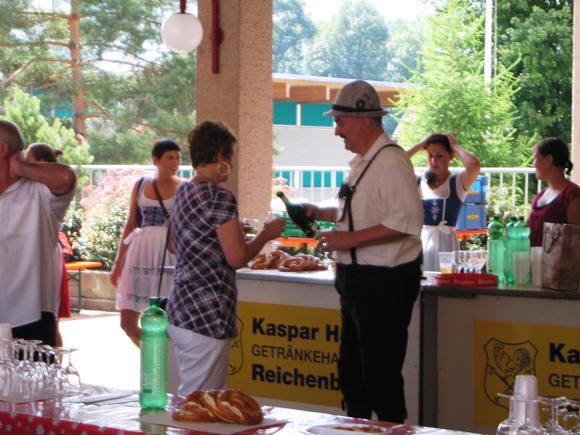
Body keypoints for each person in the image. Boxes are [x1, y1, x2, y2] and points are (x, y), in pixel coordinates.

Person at [303, 80, 423, 422]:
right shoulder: (366, 162)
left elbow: (406, 222)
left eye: (340, 121)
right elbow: (359, 212)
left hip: (383, 282)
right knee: (353, 376)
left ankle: (390, 429)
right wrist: (320, 211)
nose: (336, 130)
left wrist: (348, 240)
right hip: (358, 280)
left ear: (365, 120)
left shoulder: (391, 161)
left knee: (380, 378)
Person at [167, 120, 285, 395]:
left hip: (181, 308)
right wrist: (265, 234)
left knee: (194, 397)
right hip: (208, 314)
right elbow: (237, 257)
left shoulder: (183, 190)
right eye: (231, 156)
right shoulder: (220, 197)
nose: (231, 164)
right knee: (203, 403)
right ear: (220, 155)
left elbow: (174, 244)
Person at [0, 121, 76, 346]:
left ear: (2, 149)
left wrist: (19, 167)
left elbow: (67, 178)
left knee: (36, 370)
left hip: (32, 317)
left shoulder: (40, 193)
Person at [110, 139, 182, 347]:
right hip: (141, 251)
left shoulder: (184, 187)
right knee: (127, 322)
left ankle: (163, 360)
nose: (175, 163)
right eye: (170, 158)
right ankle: (154, 355)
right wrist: (118, 262)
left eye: (178, 158)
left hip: (169, 252)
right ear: (156, 160)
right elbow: (131, 223)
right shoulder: (141, 184)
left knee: (167, 318)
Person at [406, 133, 480, 271]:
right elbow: (395, 163)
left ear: (450, 156)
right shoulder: (419, 181)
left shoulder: (457, 182)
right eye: (430, 155)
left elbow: (474, 166)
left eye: (440, 156)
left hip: (447, 245)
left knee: (446, 279)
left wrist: (455, 146)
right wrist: (419, 145)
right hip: (423, 242)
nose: (434, 161)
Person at [25, 143, 71, 347]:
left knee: (49, 317)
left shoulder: (50, 190)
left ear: (41, 163)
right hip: (34, 258)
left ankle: (52, 361)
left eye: (28, 161)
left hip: (46, 259)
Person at [527, 137, 580, 246]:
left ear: (549, 160)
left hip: (558, 258)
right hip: (533, 256)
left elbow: (576, 241)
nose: (533, 164)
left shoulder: (572, 195)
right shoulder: (541, 195)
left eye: (535, 158)